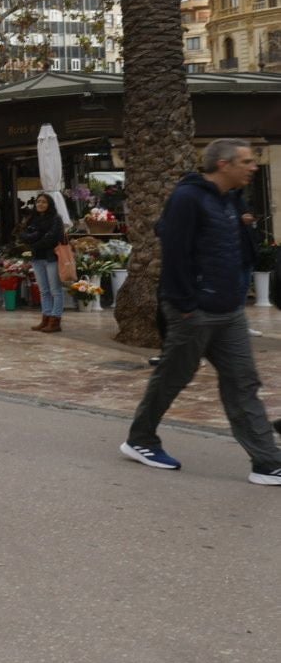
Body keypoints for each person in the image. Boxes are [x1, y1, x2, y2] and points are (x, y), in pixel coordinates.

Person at [122, 139, 281, 485]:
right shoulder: (187, 198)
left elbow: (241, 252)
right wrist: (187, 306)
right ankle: (140, 439)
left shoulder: (231, 199)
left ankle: (268, 463)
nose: (254, 166)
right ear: (223, 164)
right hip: (193, 312)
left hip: (229, 312)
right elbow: (174, 254)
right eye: (247, 161)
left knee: (243, 382)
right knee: (172, 378)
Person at [20, 193, 67, 333]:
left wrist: (35, 241)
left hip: (51, 257)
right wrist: (37, 237)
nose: (40, 204)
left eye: (44, 202)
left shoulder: (55, 219)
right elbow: (23, 236)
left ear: (50, 204)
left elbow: (52, 238)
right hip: (37, 258)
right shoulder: (32, 219)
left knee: (55, 290)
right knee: (44, 290)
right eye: (38, 202)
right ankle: (46, 318)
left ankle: (55, 320)